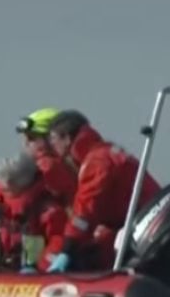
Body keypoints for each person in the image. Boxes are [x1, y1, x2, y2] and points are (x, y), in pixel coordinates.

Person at [45, 110, 162, 272]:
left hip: (140, 226)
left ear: (66, 138)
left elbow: (85, 210)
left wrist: (67, 250)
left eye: (53, 139)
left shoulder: (96, 161)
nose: (52, 147)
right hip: (138, 223)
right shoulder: (105, 152)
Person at [0, 151, 68, 273]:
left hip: (33, 275)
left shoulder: (47, 210)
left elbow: (58, 241)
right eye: (3, 179)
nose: (7, 184)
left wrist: (42, 267)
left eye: (11, 180)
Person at [13, 106, 77, 205]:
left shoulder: (47, 168)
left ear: (51, 139)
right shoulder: (72, 166)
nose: (25, 144)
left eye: (31, 138)